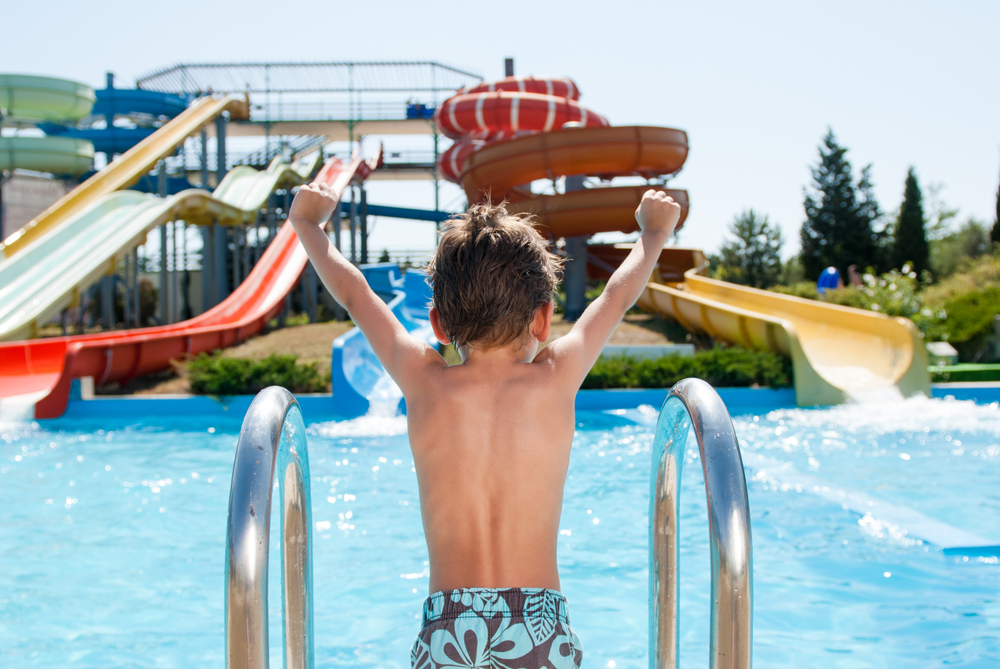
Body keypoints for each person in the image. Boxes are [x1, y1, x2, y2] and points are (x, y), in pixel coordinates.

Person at [288, 185, 681, 669]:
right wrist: (654, 233)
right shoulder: (557, 377)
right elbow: (617, 298)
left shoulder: (424, 383)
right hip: (542, 631)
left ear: (436, 324)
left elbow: (355, 294)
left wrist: (308, 225)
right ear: (543, 319)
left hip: (449, 633)